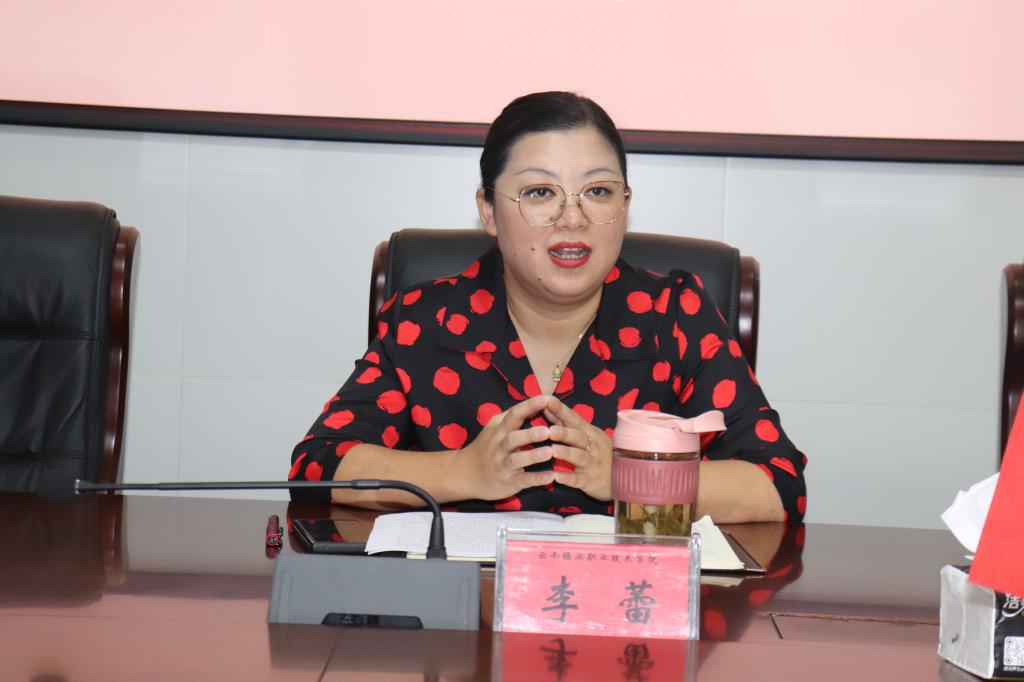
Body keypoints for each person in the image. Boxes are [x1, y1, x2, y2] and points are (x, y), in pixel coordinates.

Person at [289, 91, 807, 523]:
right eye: (540, 192)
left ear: (624, 206)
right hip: (470, 608)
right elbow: (318, 467)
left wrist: (629, 477)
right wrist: (464, 472)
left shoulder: (676, 315)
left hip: (627, 606)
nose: (572, 219)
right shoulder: (426, 319)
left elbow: (778, 484)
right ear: (488, 210)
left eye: (597, 191)